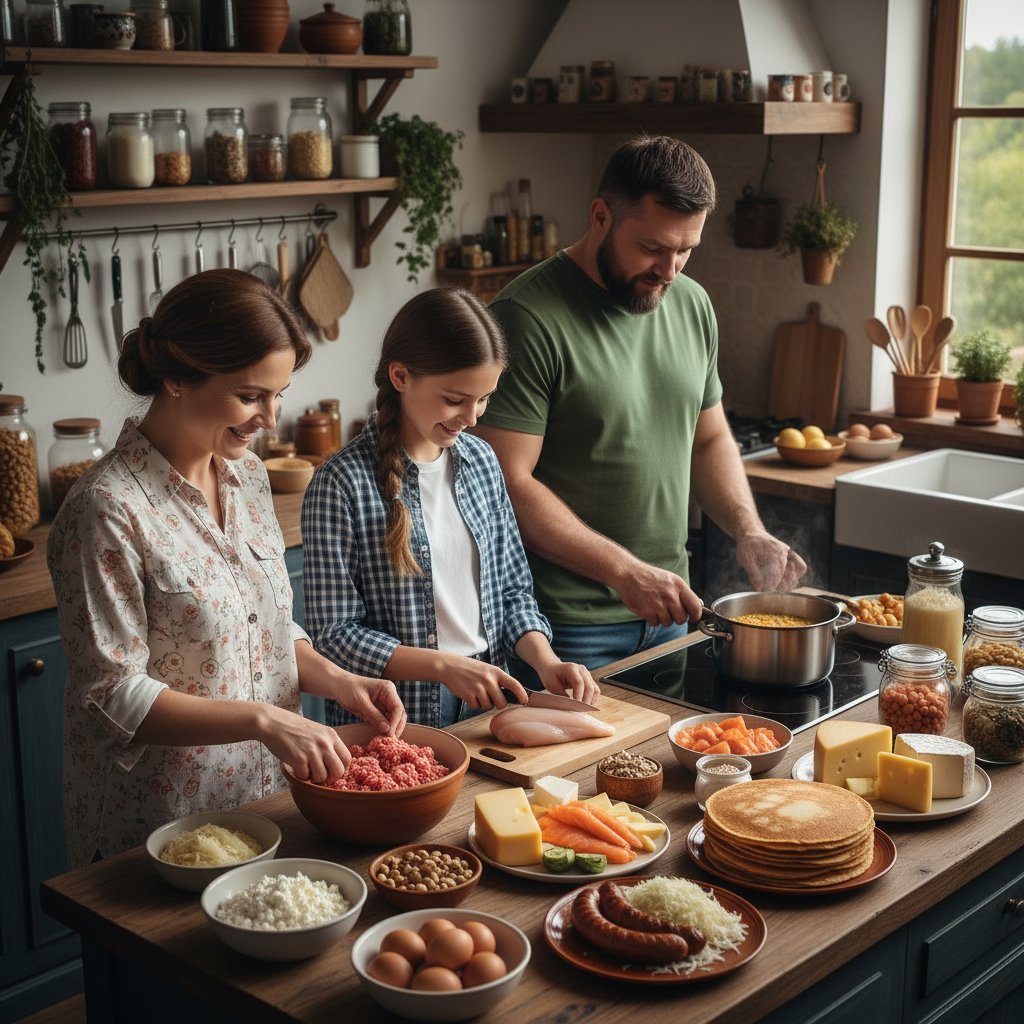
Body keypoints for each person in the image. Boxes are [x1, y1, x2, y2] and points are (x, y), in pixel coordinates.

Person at [47, 269, 407, 868]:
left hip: (263, 804)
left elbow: (266, 631)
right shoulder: (106, 509)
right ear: (177, 379)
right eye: (249, 395)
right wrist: (265, 720)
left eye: (279, 394)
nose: (270, 417)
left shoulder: (248, 479)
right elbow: (113, 694)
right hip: (160, 830)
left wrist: (340, 681)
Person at [475, 135, 807, 674]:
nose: (670, 269)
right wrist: (625, 572)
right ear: (601, 216)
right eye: (653, 247)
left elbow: (710, 438)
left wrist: (748, 529)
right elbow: (507, 485)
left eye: (686, 249)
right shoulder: (525, 317)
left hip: (670, 611)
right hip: (561, 625)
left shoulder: (692, 304)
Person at [301, 287, 599, 729]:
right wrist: (443, 666)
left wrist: (546, 661)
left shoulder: (481, 461)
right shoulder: (340, 484)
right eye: (456, 399)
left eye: (484, 398)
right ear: (400, 376)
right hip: (397, 716)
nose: (473, 417)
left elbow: (514, 591)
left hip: (490, 694)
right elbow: (335, 637)